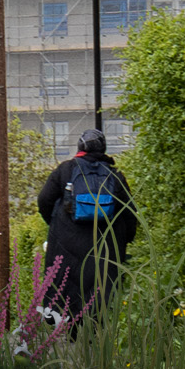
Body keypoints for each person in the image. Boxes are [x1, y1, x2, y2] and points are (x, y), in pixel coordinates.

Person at [35, 130, 139, 320]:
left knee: (64, 282)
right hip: (104, 242)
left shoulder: (65, 170)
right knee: (100, 286)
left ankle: (64, 326)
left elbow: (44, 200)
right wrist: (126, 238)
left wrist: (55, 224)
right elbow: (130, 212)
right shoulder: (114, 175)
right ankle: (95, 332)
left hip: (66, 240)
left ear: (80, 147)